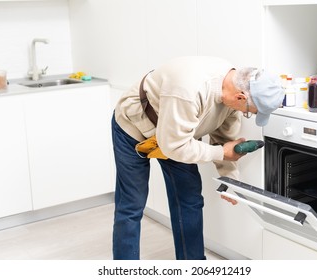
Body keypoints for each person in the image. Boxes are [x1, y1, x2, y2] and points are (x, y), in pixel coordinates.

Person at [111, 56, 284, 260]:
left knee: (190, 200)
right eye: (249, 112)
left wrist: (230, 179)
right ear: (241, 97)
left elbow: (224, 140)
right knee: (132, 204)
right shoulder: (189, 90)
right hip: (134, 128)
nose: (246, 115)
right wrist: (221, 153)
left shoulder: (232, 90)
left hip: (178, 135)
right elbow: (176, 146)